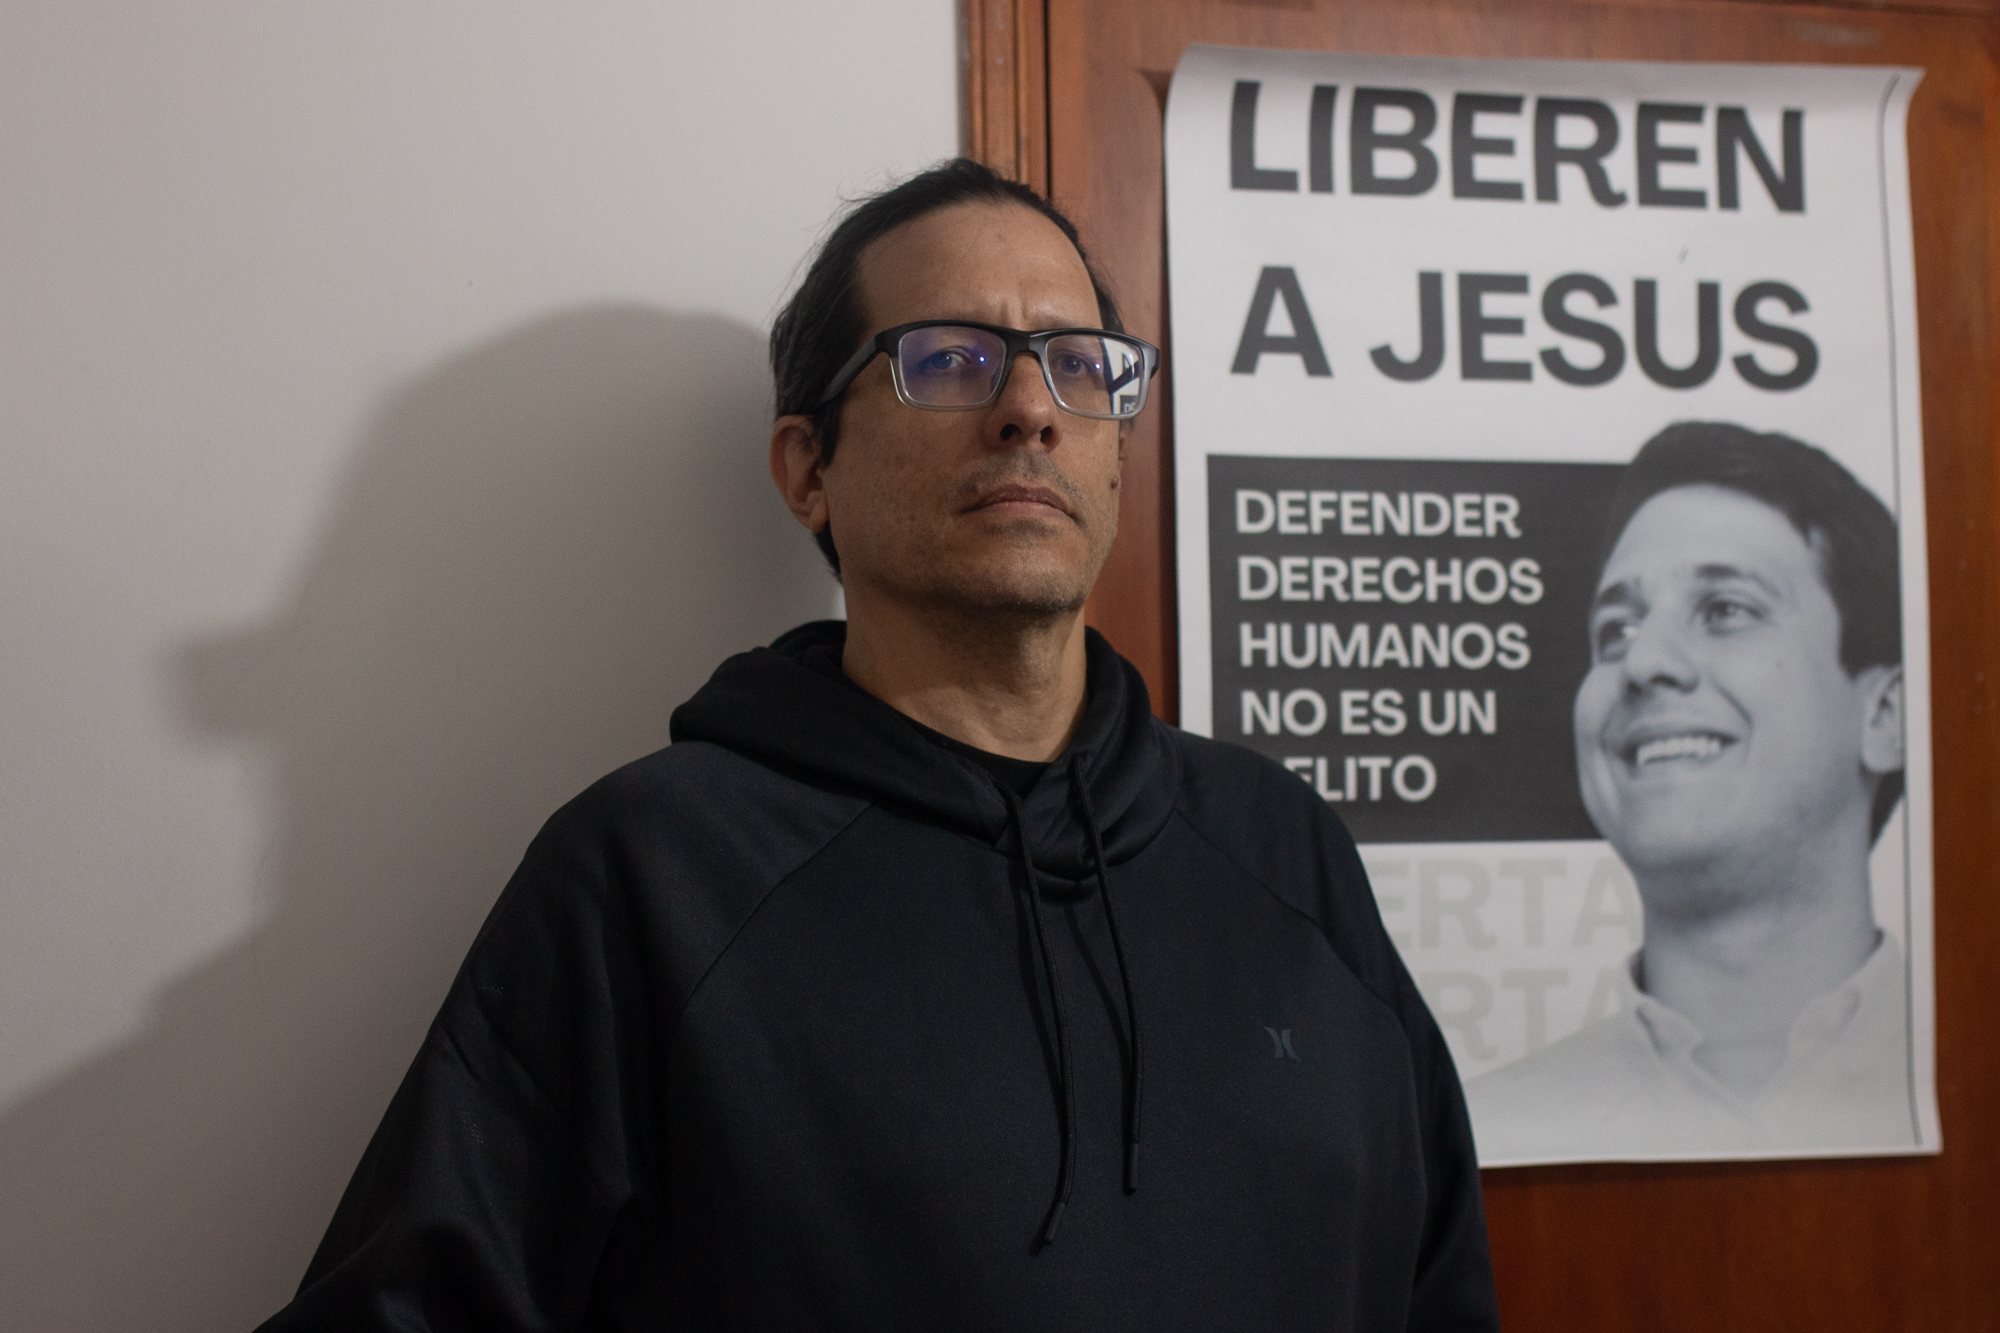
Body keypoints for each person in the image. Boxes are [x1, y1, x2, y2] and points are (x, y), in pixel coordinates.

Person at [255, 159, 1497, 1330]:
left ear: (1118, 443)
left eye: (1076, 364)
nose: (1027, 410)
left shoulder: (1281, 846)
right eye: (946, 360)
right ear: (807, 471)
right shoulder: (654, 875)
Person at [1469, 421, 1915, 1160]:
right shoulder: (1485, 1125)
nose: (1643, 660)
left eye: (1725, 610)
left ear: (1884, 717)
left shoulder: (1972, 1073)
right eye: (1615, 629)